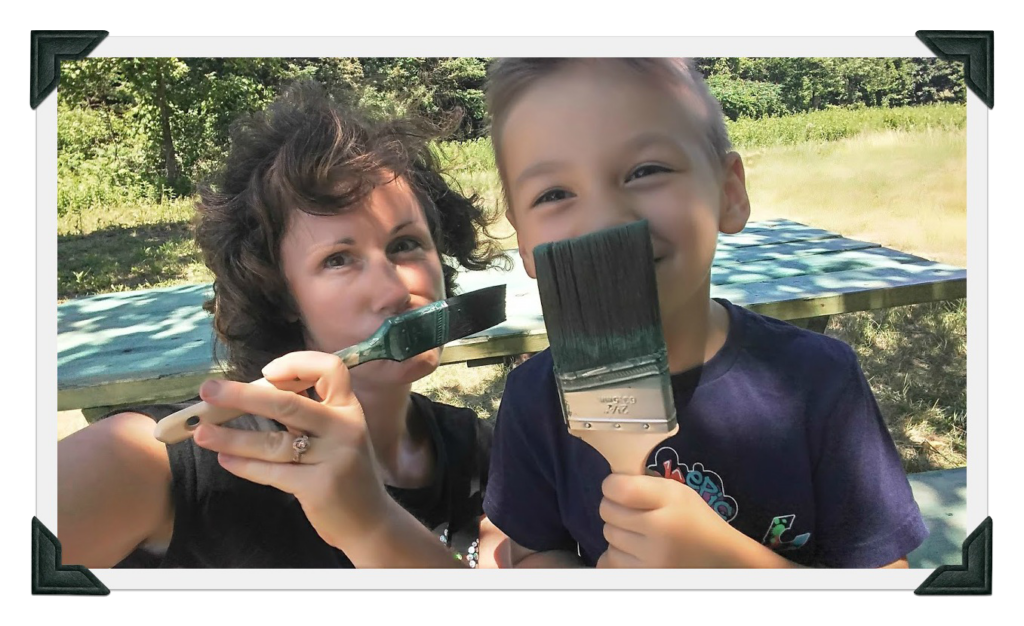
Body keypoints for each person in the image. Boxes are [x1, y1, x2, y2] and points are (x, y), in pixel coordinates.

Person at [481, 58, 929, 568]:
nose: (604, 220)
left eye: (645, 170)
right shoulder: (535, 399)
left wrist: (731, 565)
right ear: (523, 240)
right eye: (554, 194)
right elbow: (535, 553)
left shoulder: (819, 381)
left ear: (729, 192)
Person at [58, 80, 511, 569]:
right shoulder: (157, 461)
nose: (393, 290)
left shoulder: (479, 451)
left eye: (404, 245)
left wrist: (372, 523)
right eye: (339, 259)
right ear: (281, 294)